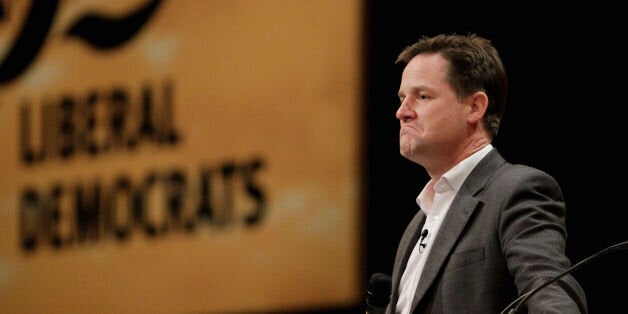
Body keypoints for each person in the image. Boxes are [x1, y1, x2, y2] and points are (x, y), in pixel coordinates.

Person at [387, 33, 588, 313]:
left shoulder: (516, 191)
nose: (402, 112)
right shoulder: (417, 224)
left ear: (475, 107)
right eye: (401, 98)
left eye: (422, 96)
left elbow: (552, 297)